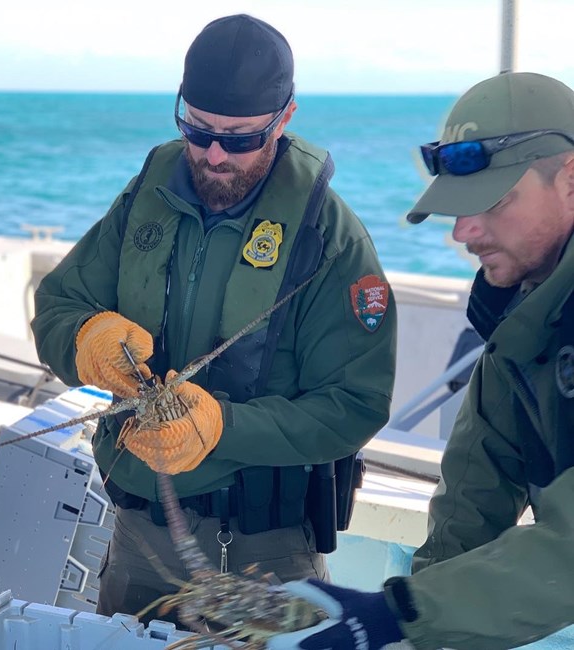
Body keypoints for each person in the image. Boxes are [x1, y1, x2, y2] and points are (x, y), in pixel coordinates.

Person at [30, 13, 396, 625]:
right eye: (197, 130)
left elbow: (355, 406)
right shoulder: (146, 194)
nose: (215, 153)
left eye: (241, 137)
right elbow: (59, 307)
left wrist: (220, 427)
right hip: (139, 541)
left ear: (284, 120)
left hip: (265, 553)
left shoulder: (331, 238)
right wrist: (86, 341)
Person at [266, 71, 574, 650]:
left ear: (571, 180)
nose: (463, 231)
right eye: (457, 208)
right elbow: (474, 494)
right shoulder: (525, 320)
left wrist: (400, 614)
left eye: (492, 201)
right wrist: (414, 634)